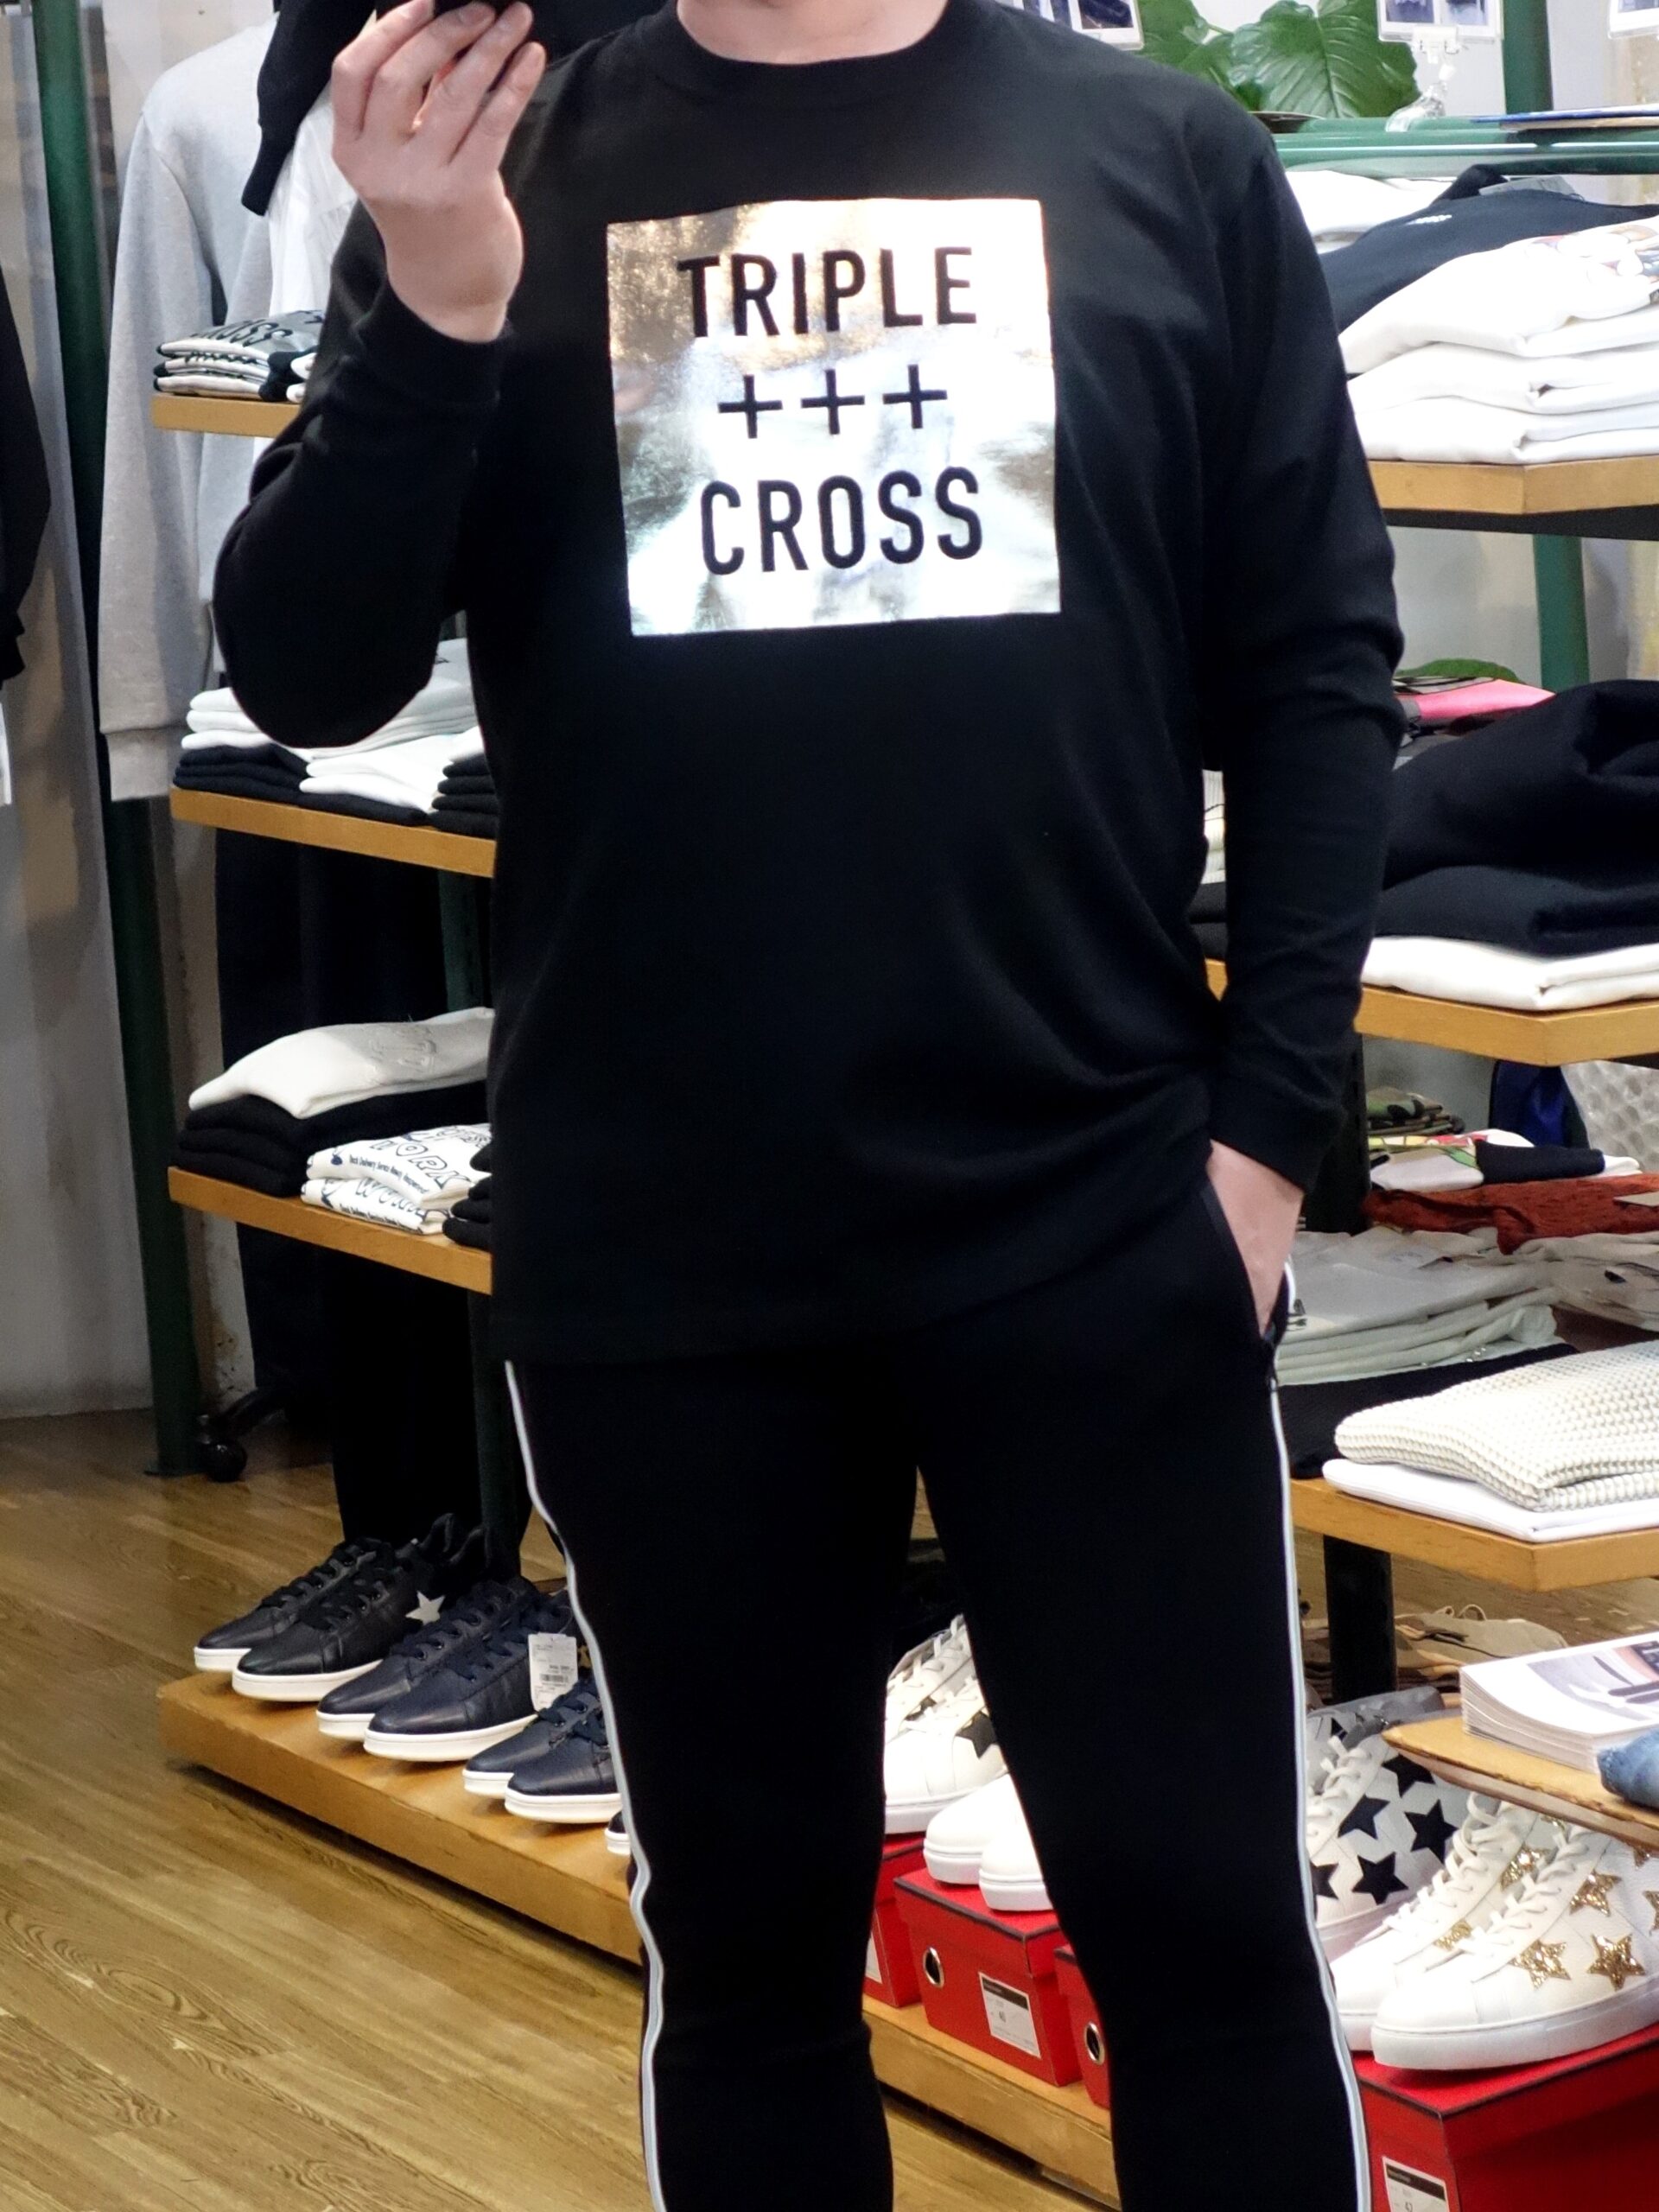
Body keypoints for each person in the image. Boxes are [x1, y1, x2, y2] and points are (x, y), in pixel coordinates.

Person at [214, 0, 1402, 2203]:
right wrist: (443, 302)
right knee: (750, 1956)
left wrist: (1266, 1139)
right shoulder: (504, 164)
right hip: (670, 1255)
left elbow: (1318, 667)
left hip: (1095, 1214)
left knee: (1209, 1940)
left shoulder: (1162, 158)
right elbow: (303, 671)